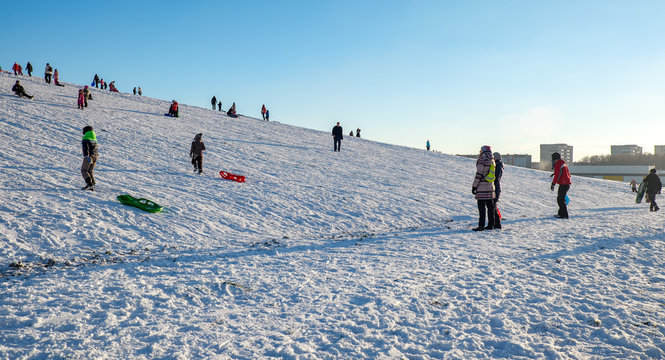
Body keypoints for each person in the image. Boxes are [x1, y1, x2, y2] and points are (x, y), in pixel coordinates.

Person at [472, 145, 496, 231]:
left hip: (482, 186)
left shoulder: (482, 159)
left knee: (481, 207)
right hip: (490, 186)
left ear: (483, 151)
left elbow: (479, 173)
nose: (479, 152)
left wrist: (474, 186)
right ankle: (491, 225)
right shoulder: (492, 160)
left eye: (480, 150)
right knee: (490, 207)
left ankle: (481, 225)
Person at [551, 152, 571, 219]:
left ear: (555, 159)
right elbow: (562, 172)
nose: (553, 161)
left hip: (564, 184)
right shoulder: (562, 163)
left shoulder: (558, 164)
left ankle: (564, 215)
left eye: (553, 160)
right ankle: (560, 214)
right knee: (560, 199)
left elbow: (557, 174)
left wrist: (553, 183)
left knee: (560, 200)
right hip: (566, 183)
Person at [81, 125, 98, 191]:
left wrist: (86, 156)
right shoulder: (94, 139)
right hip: (96, 156)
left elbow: (85, 148)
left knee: (84, 170)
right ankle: (92, 184)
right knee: (90, 170)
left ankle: (89, 184)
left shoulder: (85, 138)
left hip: (89, 156)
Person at [492, 152, 504, 229]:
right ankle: (496, 223)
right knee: (493, 205)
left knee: (493, 205)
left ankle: (497, 223)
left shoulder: (498, 166)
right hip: (496, 187)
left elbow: (496, 178)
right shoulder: (498, 165)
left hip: (495, 188)